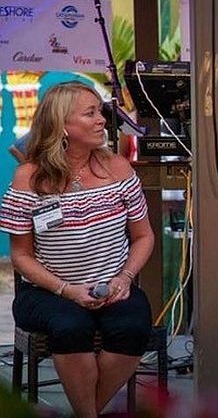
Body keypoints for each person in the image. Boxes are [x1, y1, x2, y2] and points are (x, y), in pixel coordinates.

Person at [0, 81, 154, 418]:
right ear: (61, 126)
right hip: (47, 292)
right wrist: (67, 290)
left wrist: (125, 278)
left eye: (100, 111)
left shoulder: (118, 169)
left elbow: (144, 236)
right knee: (71, 327)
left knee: (133, 327)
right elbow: (21, 256)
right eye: (90, 113)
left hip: (112, 287)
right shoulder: (29, 178)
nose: (102, 119)